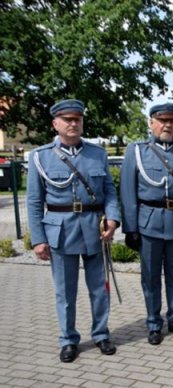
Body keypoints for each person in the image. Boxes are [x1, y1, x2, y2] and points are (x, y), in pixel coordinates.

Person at [26, 99, 120, 362]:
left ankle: (101, 334)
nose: (73, 123)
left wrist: (112, 218)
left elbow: (109, 191)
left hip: (94, 229)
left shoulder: (97, 154)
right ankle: (68, 339)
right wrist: (38, 239)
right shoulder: (41, 156)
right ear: (55, 123)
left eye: (77, 119)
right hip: (61, 230)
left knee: (100, 289)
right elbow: (34, 201)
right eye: (67, 119)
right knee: (65, 292)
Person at [120, 103, 173, 346]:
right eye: (162, 120)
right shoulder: (137, 151)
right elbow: (127, 193)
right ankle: (154, 323)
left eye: (172, 121)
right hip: (149, 223)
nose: (167, 125)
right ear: (151, 122)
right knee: (151, 277)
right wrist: (130, 228)